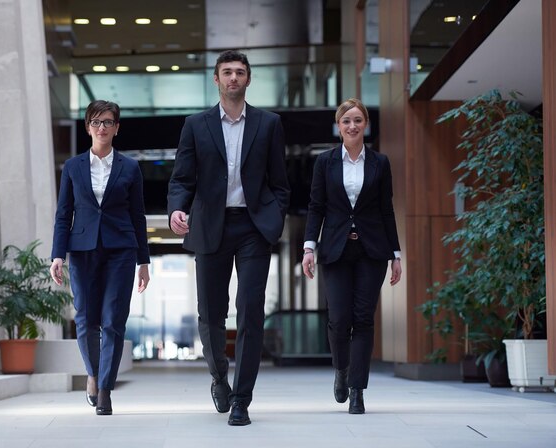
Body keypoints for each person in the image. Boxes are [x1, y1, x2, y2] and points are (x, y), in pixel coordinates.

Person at [167, 50, 290, 426]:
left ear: (248, 79)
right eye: (227, 72)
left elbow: (279, 182)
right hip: (210, 227)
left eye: (239, 72)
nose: (233, 78)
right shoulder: (196, 124)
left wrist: (274, 216)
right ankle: (219, 376)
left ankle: (242, 399)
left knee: (251, 310)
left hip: (253, 227)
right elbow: (182, 177)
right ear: (216, 80)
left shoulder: (268, 124)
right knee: (211, 313)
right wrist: (176, 209)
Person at [50, 100, 150, 416]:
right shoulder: (73, 166)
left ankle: (105, 388)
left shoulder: (130, 167)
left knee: (113, 320)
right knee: (86, 319)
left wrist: (143, 261)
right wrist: (57, 255)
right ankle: (92, 375)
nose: (102, 128)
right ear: (87, 127)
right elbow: (64, 213)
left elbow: (138, 215)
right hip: (81, 251)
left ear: (117, 128)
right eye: (95, 122)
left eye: (107, 122)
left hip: (121, 250)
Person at [301, 98, 401, 414]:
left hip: (372, 249)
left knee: (363, 318)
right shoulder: (325, 162)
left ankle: (357, 389)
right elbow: (316, 206)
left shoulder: (380, 163)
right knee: (339, 318)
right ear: (339, 125)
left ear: (365, 124)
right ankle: (341, 370)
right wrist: (308, 247)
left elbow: (386, 209)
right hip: (335, 249)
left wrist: (396, 253)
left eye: (358, 120)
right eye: (346, 121)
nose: (352, 126)